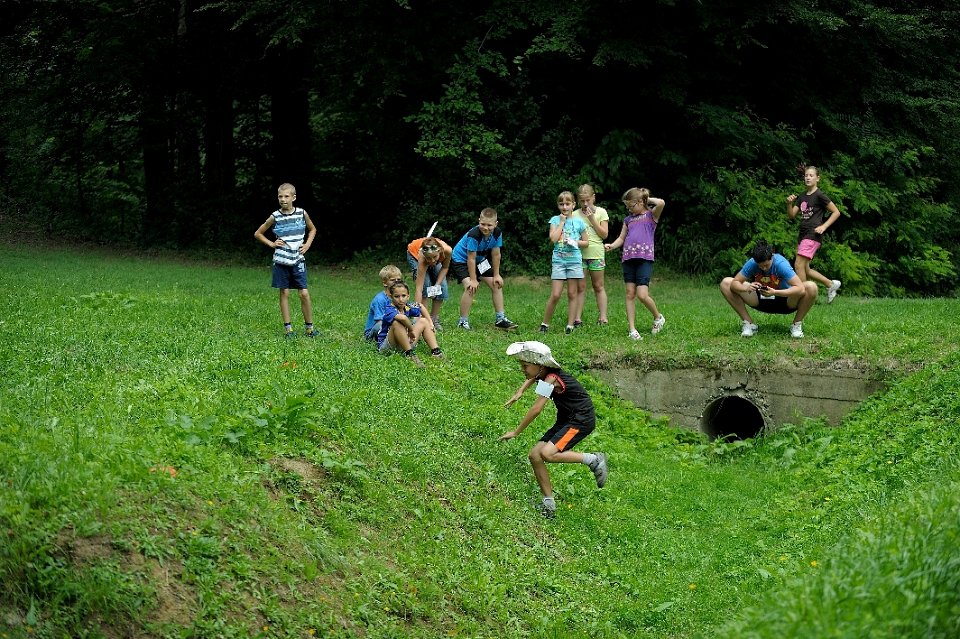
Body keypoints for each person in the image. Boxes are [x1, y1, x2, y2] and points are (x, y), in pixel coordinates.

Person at [499, 341, 608, 518]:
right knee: (535, 455)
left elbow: (536, 409)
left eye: (525, 365)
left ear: (540, 364)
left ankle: (593, 459)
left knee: (547, 454)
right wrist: (520, 392)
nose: (522, 369)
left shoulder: (551, 379)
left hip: (581, 420)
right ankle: (548, 504)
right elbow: (533, 377)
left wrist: (516, 432)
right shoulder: (543, 373)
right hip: (566, 419)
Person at [253, 183, 319, 337]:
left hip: (298, 260)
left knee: (304, 293)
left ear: (293, 198)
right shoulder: (275, 216)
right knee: (284, 292)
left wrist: (307, 244)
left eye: (286, 196)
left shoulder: (302, 213)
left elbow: (313, 229)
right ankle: (289, 330)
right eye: (280, 196)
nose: (283, 199)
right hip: (281, 261)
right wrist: (271, 244)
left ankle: (309, 329)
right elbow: (258, 233)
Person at [719, 240, 818, 338]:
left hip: (785, 301)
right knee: (726, 283)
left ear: (772, 256)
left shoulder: (781, 264)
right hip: (759, 299)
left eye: (766, 265)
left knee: (811, 287)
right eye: (760, 266)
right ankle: (749, 324)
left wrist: (775, 292)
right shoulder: (752, 263)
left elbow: (800, 289)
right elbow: (735, 283)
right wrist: (747, 287)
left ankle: (796, 325)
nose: (764, 268)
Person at [604, 188, 667, 340]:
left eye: (631, 206)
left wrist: (645, 198)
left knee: (642, 295)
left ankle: (658, 317)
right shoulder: (628, 220)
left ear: (640, 202)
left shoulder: (651, 216)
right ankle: (632, 330)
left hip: (644, 259)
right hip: (628, 259)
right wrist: (612, 245)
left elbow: (661, 203)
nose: (629, 209)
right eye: (627, 207)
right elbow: (621, 238)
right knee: (630, 293)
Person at [450, 207, 519, 331]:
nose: (485, 228)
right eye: (483, 224)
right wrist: (473, 279)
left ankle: (500, 319)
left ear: (495, 224)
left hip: (479, 260)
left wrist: (497, 275)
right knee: (470, 287)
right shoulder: (474, 235)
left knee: (496, 284)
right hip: (461, 260)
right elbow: (470, 258)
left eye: (489, 225)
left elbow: (496, 254)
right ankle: (462, 321)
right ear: (479, 221)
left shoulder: (497, 233)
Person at [786, 165, 843, 303]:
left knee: (798, 265)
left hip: (813, 234)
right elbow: (792, 215)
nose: (808, 178)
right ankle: (831, 284)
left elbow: (836, 212)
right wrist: (789, 203)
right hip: (802, 234)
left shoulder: (820, 195)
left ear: (817, 178)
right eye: (806, 175)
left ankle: (803, 297)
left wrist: (824, 226)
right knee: (805, 269)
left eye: (811, 175)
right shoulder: (802, 196)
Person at [539, 191, 589, 334]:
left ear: (573, 205)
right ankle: (545, 324)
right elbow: (553, 239)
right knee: (556, 294)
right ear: (558, 205)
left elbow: (586, 243)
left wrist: (575, 242)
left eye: (567, 204)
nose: (565, 207)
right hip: (559, 261)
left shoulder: (579, 222)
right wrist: (561, 222)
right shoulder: (555, 220)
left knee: (572, 293)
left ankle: (570, 325)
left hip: (574, 262)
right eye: (561, 204)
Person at [376, 280, 444, 366]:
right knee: (397, 323)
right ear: (391, 296)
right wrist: (411, 331)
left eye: (403, 296)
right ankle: (410, 354)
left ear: (408, 296)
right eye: (396, 296)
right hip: (389, 346)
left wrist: (431, 323)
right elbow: (403, 318)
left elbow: (420, 306)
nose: (401, 299)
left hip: (406, 340)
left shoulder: (407, 307)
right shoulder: (389, 309)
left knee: (423, 321)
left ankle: (436, 352)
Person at [571, 183, 610, 326]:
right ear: (578, 200)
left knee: (598, 286)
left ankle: (603, 317)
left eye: (588, 200)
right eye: (582, 201)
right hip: (579, 255)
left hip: (596, 254)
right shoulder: (574, 214)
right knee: (580, 287)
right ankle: (577, 318)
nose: (585, 203)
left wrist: (592, 219)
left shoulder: (601, 212)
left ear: (593, 197)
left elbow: (604, 235)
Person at [406, 236, 453, 330]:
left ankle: (434, 318)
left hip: (434, 255)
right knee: (425, 285)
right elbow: (419, 289)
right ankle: (424, 319)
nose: (432, 261)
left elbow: (445, 267)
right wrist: (417, 312)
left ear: (439, 251)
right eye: (429, 258)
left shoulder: (447, 251)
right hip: (414, 254)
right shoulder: (422, 257)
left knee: (442, 286)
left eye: (434, 257)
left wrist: (437, 285)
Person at [364, 264, 404, 341]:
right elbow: (379, 321)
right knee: (380, 324)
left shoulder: (399, 297)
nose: (397, 282)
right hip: (374, 332)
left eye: (399, 280)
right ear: (385, 283)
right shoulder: (380, 299)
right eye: (393, 280)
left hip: (393, 326)